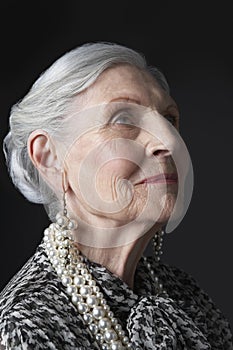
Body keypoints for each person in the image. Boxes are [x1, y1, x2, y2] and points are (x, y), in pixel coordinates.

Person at [0, 42, 232, 350]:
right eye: (123, 119)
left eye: (169, 119)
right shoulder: (22, 327)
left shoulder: (186, 296)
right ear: (49, 158)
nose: (169, 142)